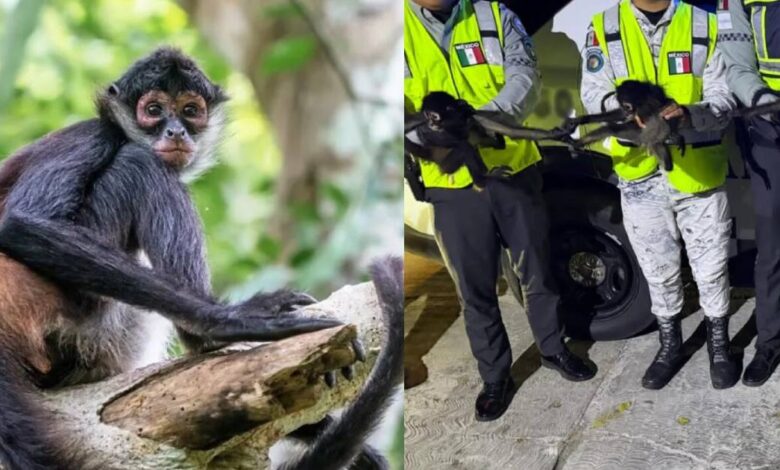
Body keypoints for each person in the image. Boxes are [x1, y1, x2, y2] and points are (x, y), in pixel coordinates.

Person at [404, 0, 596, 422]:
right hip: (448, 181)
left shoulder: (495, 14)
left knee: (536, 271)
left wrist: (484, 122)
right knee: (474, 289)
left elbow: (525, 75)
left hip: (511, 168)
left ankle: (552, 348)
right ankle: (495, 377)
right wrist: (437, 133)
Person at [581, 0, 740, 389]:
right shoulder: (603, 26)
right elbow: (593, 94)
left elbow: (725, 97)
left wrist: (687, 113)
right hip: (639, 176)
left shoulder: (704, 23)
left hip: (697, 173)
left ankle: (719, 345)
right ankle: (670, 345)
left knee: (712, 264)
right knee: (658, 268)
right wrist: (623, 114)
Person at [718, 0, 780, 387]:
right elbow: (738, 65)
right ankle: (770, 343)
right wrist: (763, 102)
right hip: (769, 126)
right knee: (772, 245)